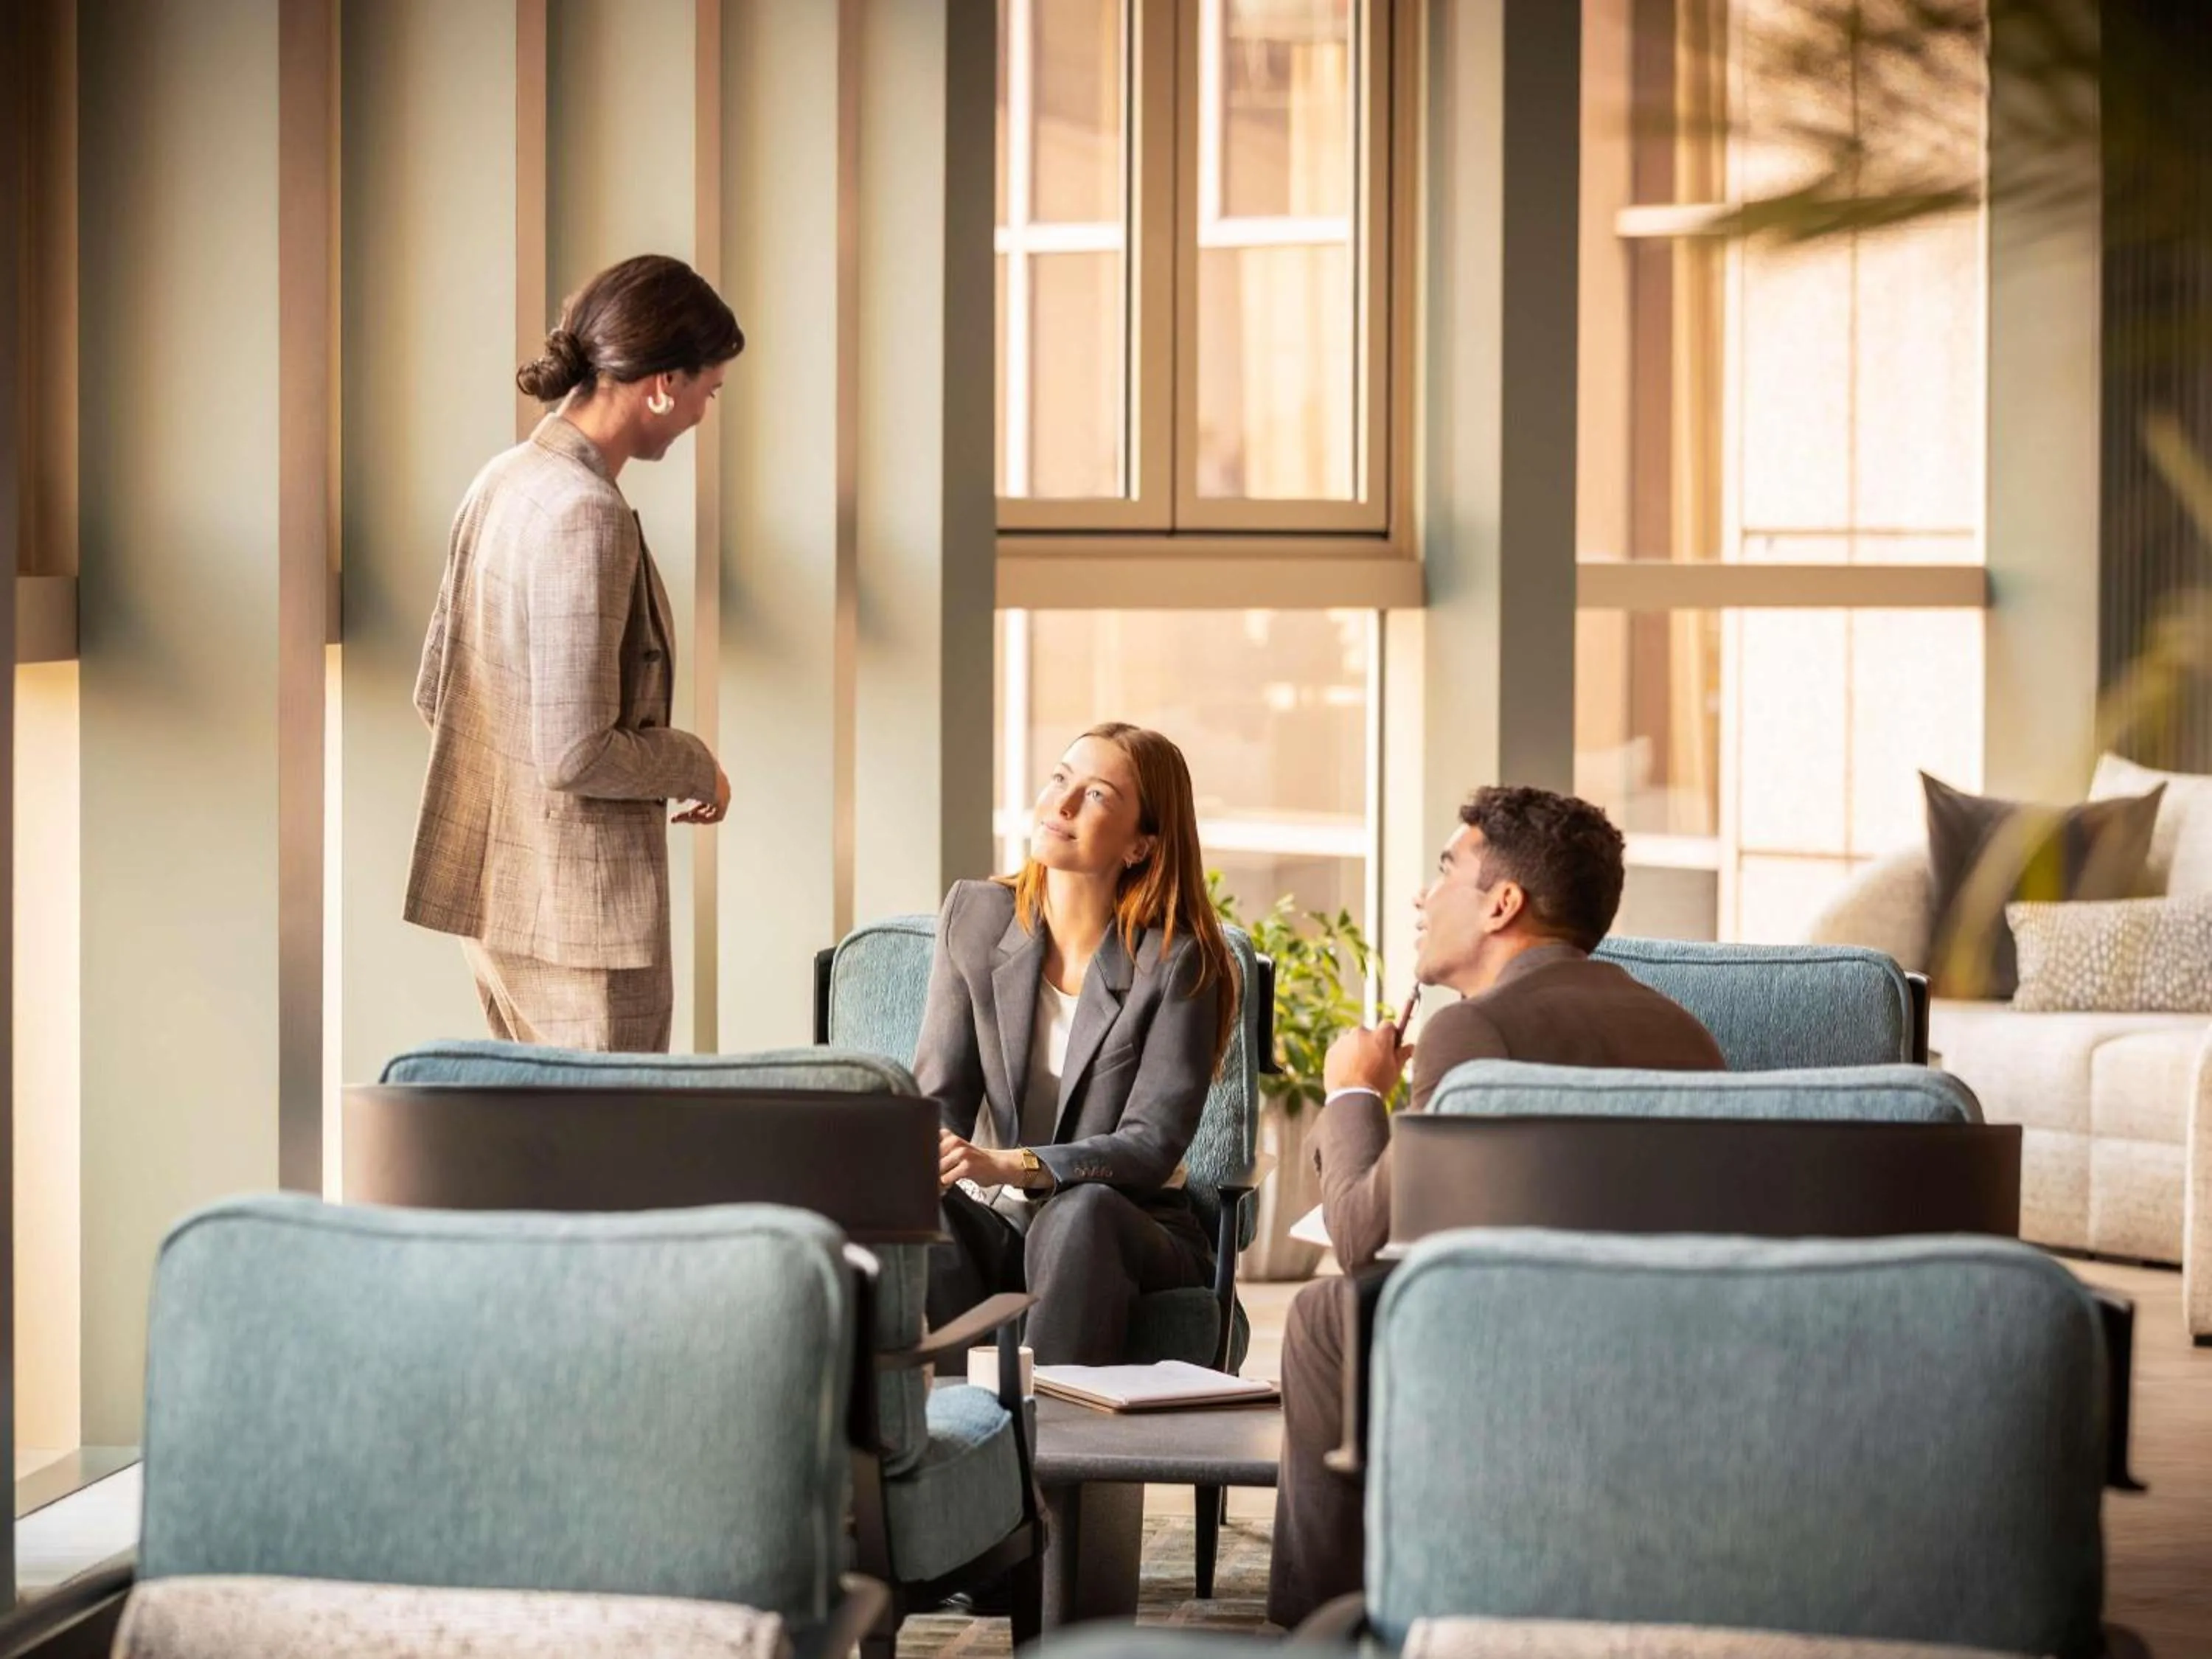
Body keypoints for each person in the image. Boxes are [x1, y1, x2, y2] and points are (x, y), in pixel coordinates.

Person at [1267, 785, 1725, 1629]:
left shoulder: (1473, 1033)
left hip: (1523, 1351)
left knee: (1329, 1312)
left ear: (1502, 904)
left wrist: (1352, 1097)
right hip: (1685, 1355)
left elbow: (1368, 1239)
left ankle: (1323, 1625)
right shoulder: (1687, 1033)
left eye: (1446, 870)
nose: (1421, 894)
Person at [406, 254, 741, 1052]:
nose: (703, 412)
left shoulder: (506, 478)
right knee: (613, 1168)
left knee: (543, 1160)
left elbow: (436, 688)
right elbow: (577, 751)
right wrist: (694, 764)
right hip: (584, 929)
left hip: (504, 910)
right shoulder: (584, 514)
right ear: (662, 384)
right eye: (708, 391)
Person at [916, 723, 1240, 1366]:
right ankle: (957, 1441)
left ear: (1142, 845)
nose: (1060, 805)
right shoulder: (975, 917)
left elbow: (1149, 1147)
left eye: (1096, 796)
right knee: (920, 1211)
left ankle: (1050, 1461)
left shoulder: (1180, 963)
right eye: (1061, 778)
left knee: (1078, 1214)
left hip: (1126, 1225)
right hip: (1001, 1221)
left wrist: (1010, 1165)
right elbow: (939, 1099)